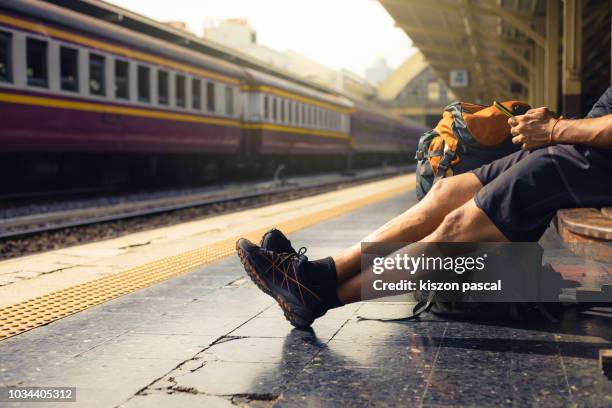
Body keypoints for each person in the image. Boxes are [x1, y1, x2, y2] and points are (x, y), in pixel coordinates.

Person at [236, 86, 612, 328]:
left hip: (591, 157)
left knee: (459, 228)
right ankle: (317, 274)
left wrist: (557, 129)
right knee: (448, 192)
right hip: (577, 145)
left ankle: (321, 297)